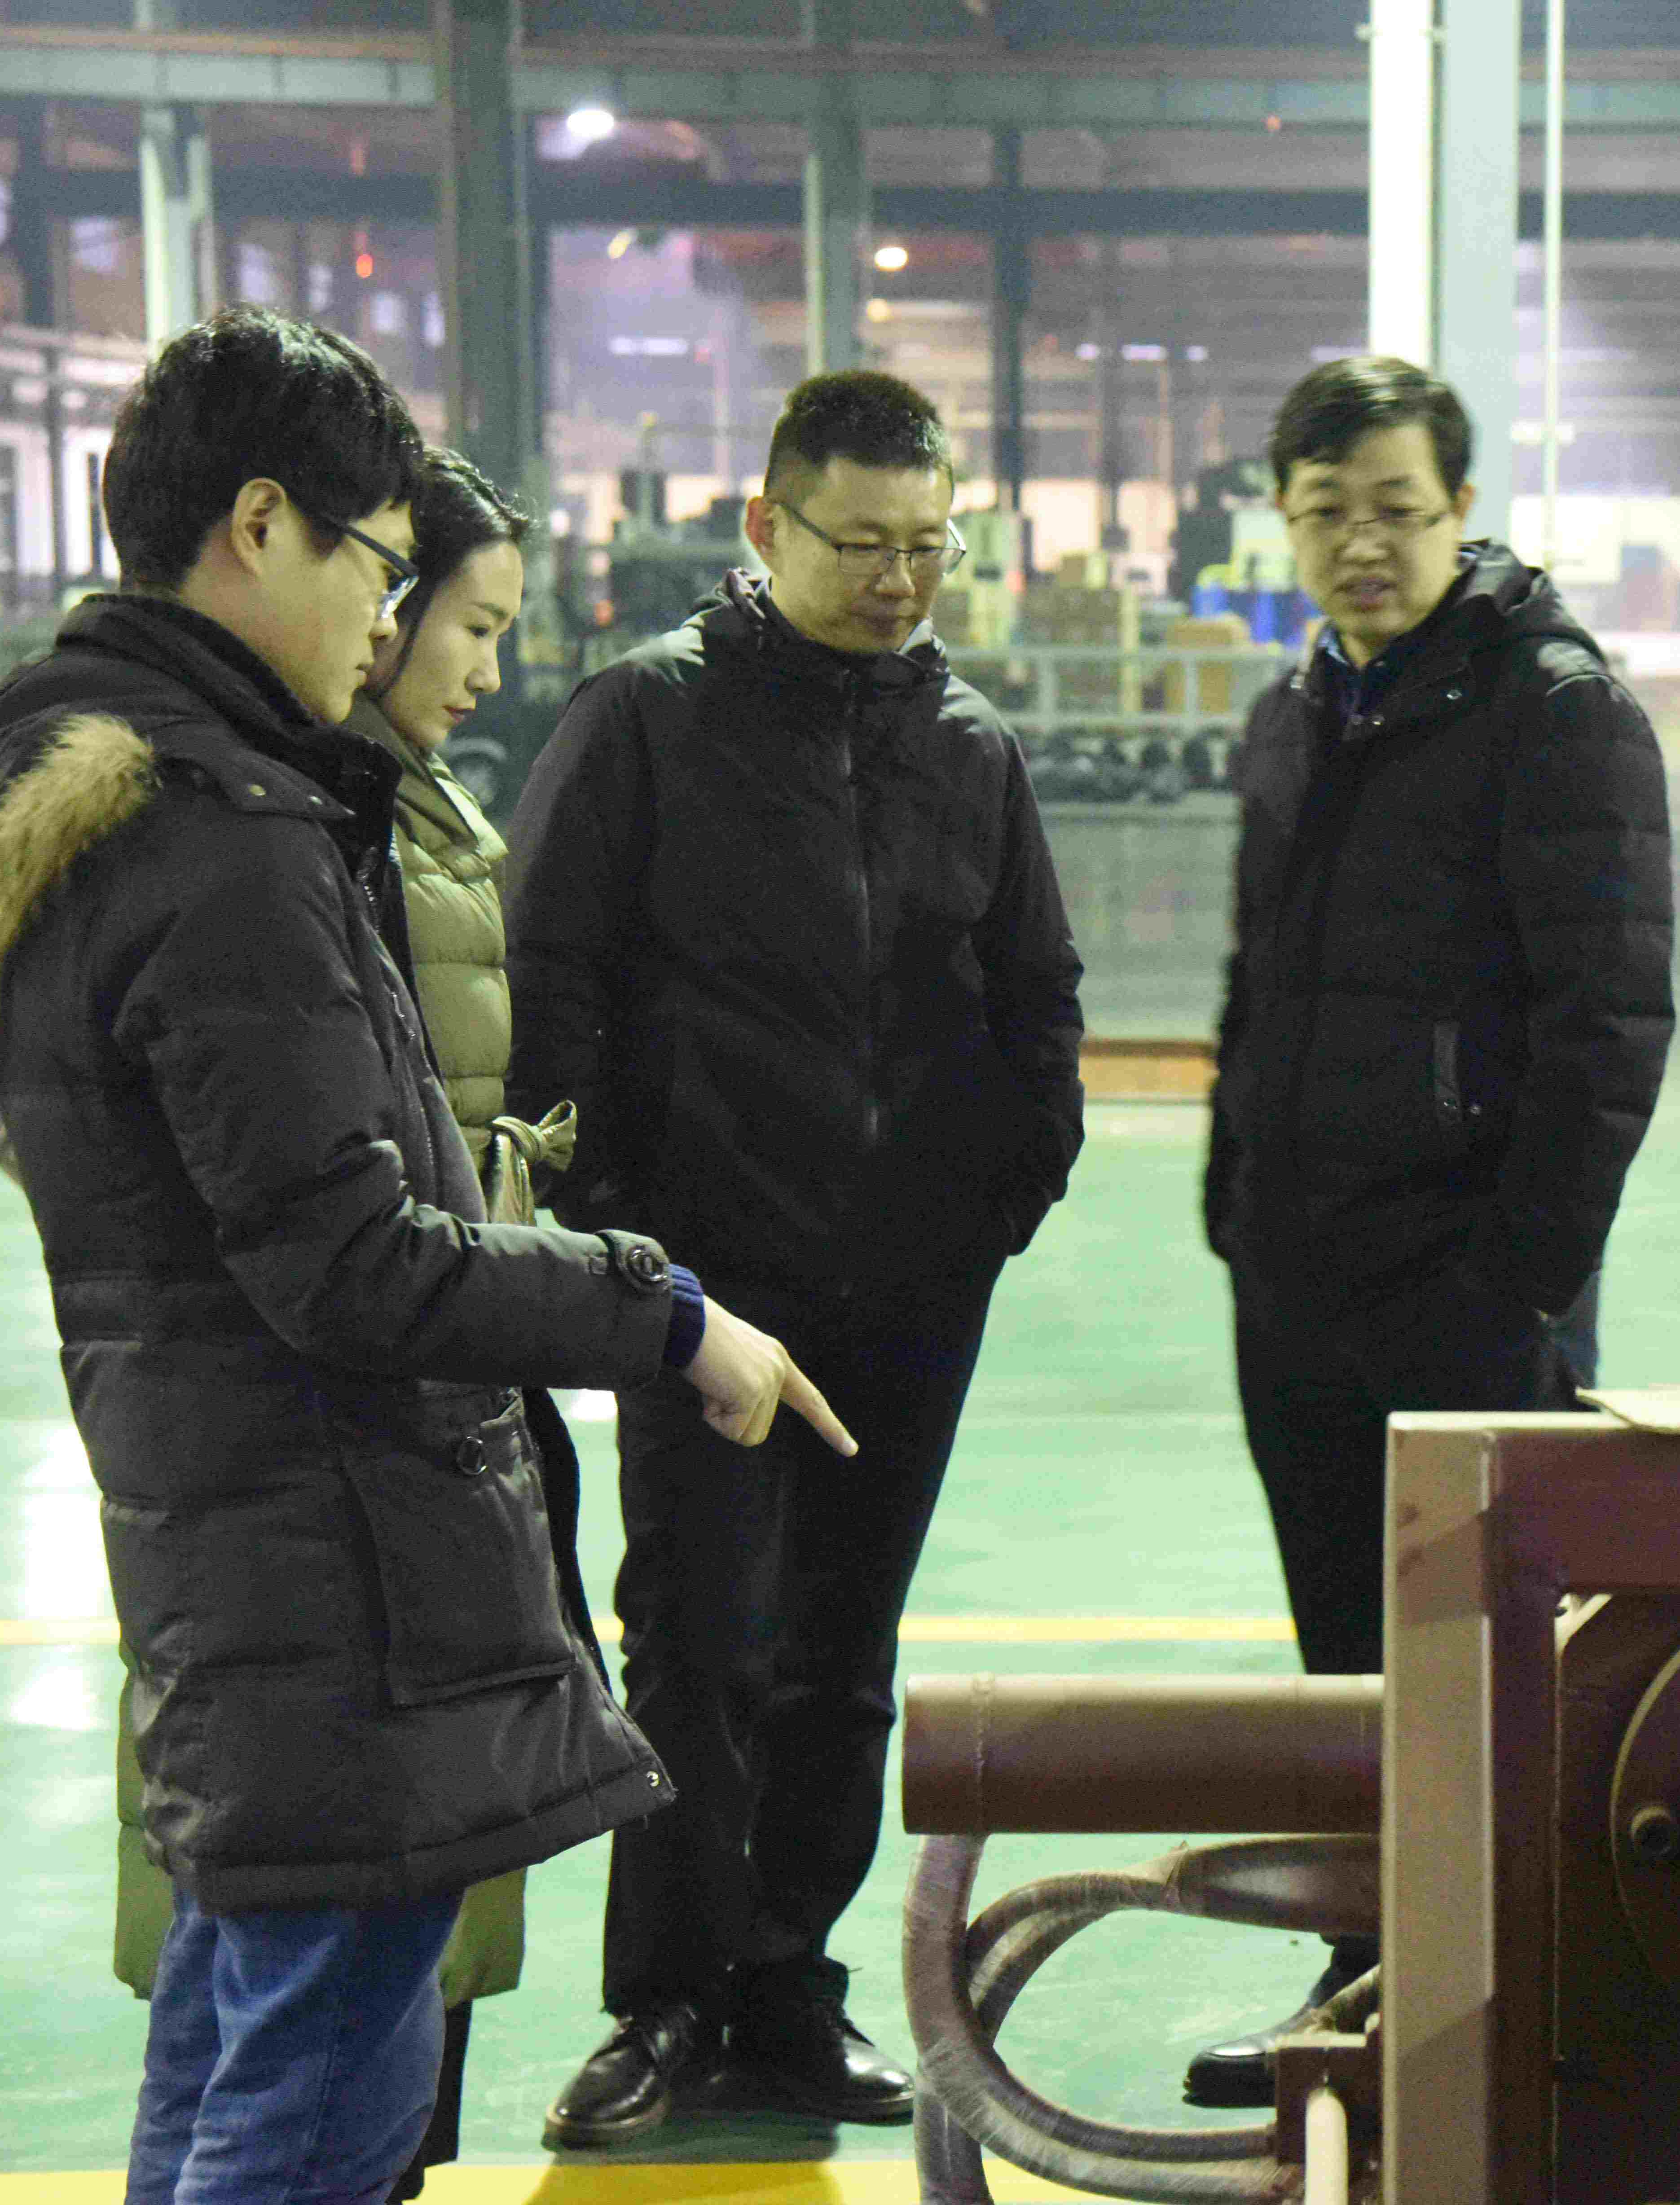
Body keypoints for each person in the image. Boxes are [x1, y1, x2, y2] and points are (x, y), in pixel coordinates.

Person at [0, 306, 850, 2205]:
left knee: (229, 2072)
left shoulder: (90, 794)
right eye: (381, 570)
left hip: (248, 1560)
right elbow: (356, 1267)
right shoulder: (221, 837)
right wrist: (665, 1310)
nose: (389, 627)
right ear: (259, 527)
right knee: (303, 2129)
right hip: (342, 1586)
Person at [510, 369, 1086, 2144]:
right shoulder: (644, 721)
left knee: (844, 1652)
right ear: (767, 526)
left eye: (930, 545)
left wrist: (1000, 1198)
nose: (899, 579)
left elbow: (1035, 991)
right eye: (862, 543)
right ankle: (669, 2001)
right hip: (705, 1289)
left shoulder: (968, 748)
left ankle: (785, 1985)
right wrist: (628, 1234)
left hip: (909, 1292)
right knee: (697, 1642)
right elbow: (551, 981)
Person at [1193, 355, 1676, 2107]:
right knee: (1342, 1663)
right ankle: (1369, 1985)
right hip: (1297, 1277)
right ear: (1285, 520)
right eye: (1327, 512)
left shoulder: (1556, 712)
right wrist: (1237, 1202)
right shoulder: (1296, 709)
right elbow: (1261, 978)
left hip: (1464, 1295)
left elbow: (1607, 1027)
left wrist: (1515, 1284)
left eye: (1398, 509)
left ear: (1461, 510)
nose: (1363, 544)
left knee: (1470, 1674)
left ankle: (1498, 2022)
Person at [98, 446, 566, 2203]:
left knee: (316, 2002)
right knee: (306, 2021)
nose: (483, 666)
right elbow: (306, 1189)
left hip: (421, 1430)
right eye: (462, 619)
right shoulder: (286, 836)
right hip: (332, 1474)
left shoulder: (402, 815)